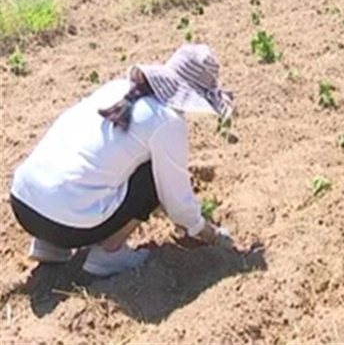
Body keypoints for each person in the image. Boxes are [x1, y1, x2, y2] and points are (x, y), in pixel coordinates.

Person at [10, 44, 236, 277]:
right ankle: (110, 252)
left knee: (90, 161)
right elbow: (177, 202)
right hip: (67, 225)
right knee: (153, 178)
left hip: (23, 204)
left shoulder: (116, 88)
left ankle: (50, 245)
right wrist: (209, 233)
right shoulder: (167, 121)